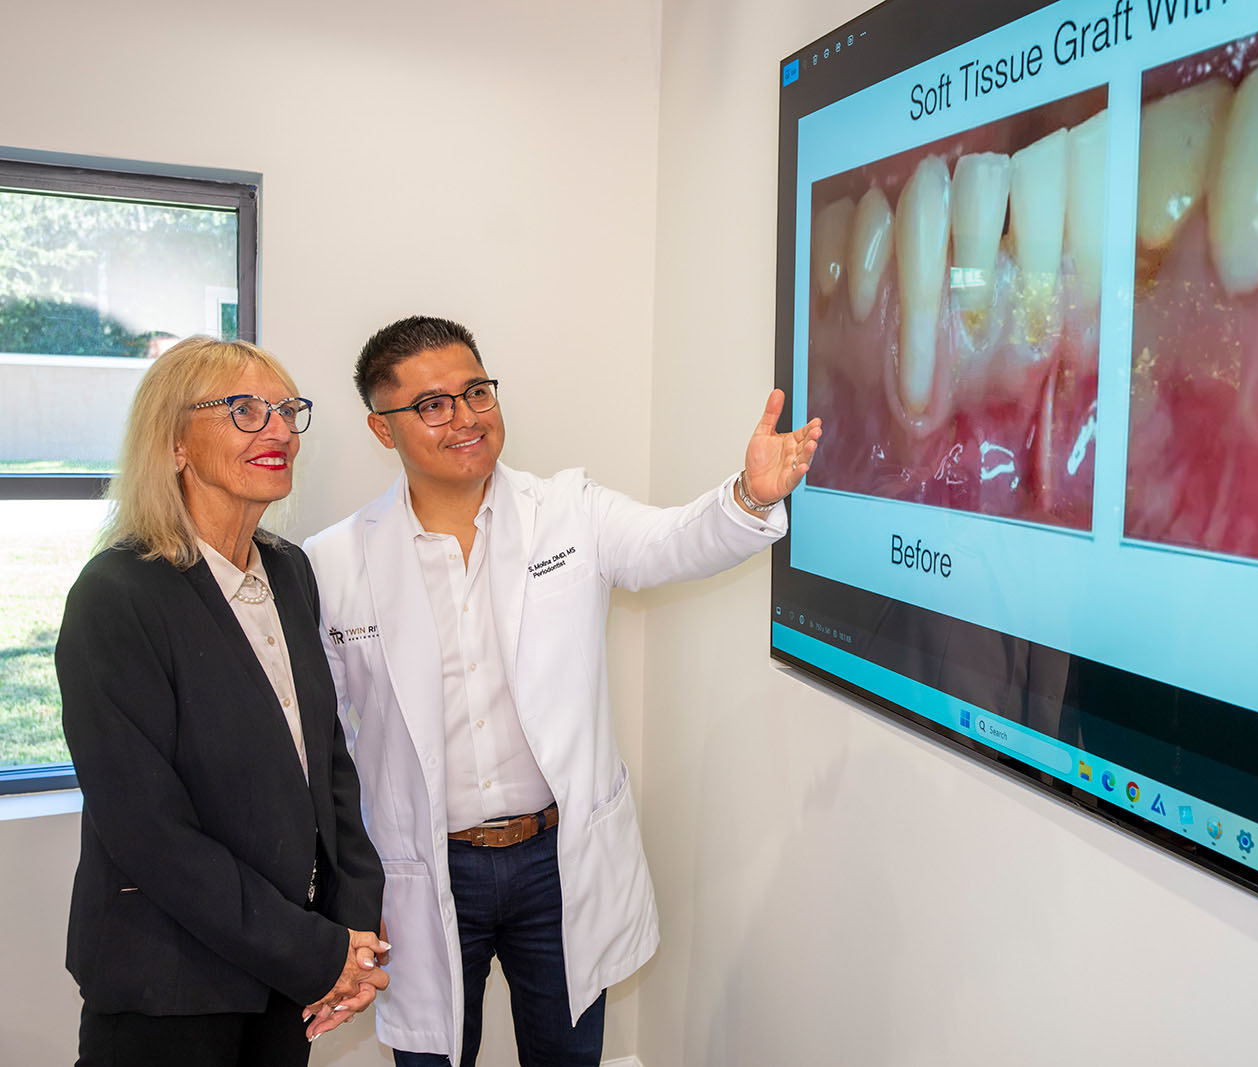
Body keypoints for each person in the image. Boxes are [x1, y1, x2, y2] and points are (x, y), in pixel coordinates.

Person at [304, 316, 820, 1066]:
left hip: (556, 858)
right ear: (383, 430)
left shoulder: (568, 511)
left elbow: (672, 541)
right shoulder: (337, 562)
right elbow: (329, 747)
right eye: (433, 404)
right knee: (434, 1057)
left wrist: (747, 494)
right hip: (426, 870)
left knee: (570, 1054)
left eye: (476, 391)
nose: (467, 417)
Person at [56, 336, 390, 1066]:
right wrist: (316, 949)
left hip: (286, 977)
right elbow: (150, 832)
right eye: (246, 410)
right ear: (175, 442)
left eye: (286, 410)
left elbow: (328, 763)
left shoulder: (290, 570)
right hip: (170, 986)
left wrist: (352, 931)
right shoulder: (115, 596)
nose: (278, 431)